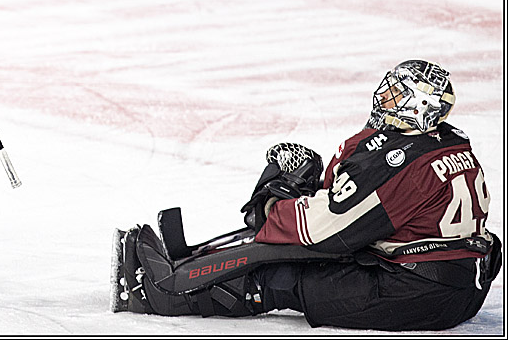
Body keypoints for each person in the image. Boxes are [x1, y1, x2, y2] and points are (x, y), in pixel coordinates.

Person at [113, 59, 502, 331]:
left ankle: (166, 295)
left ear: (418, 108)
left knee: (285, 276)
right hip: (460, 286)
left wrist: (272, 204)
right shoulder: (449, 141)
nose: (384, 99)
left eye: (396, 95)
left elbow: (321, 232)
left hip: (419, 294)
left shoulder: (399, 163)